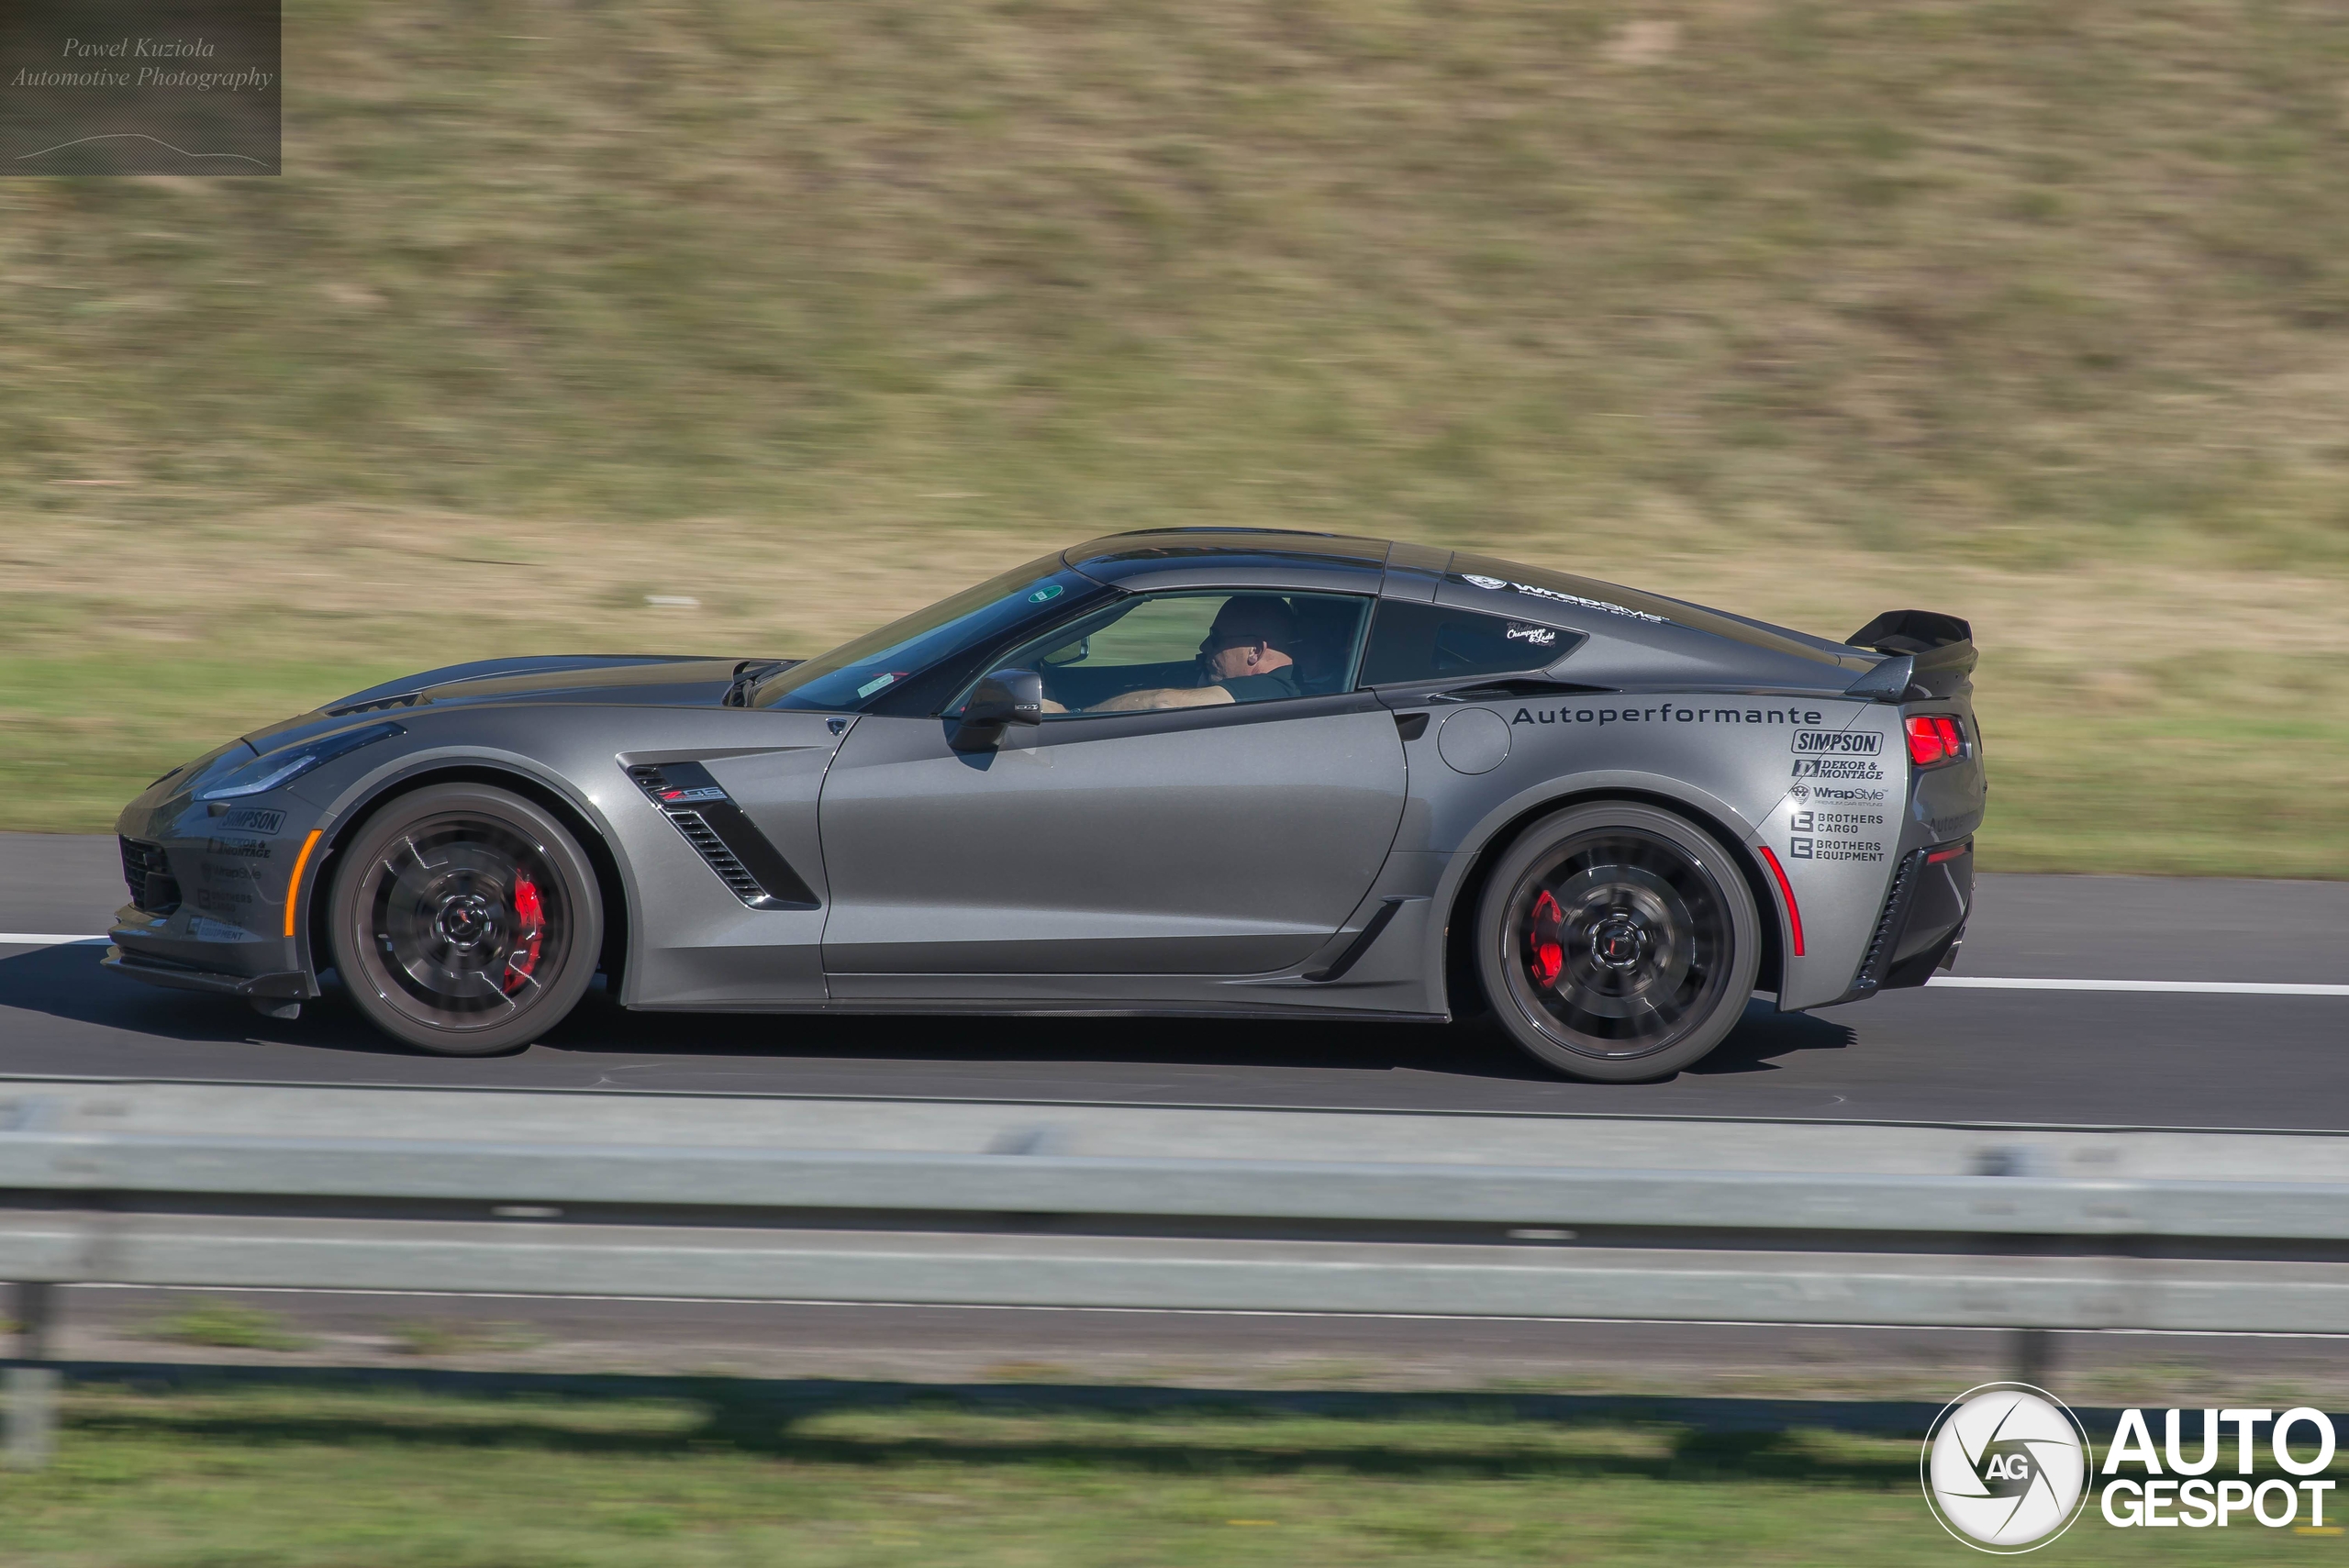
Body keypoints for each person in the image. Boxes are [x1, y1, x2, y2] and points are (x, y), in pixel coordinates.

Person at [1086, 595, 1300, 712]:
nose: (1204, 646)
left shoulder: (1272, 689)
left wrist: (1074, 716)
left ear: (1255, 650)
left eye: (1216, 638)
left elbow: (1164, 702)